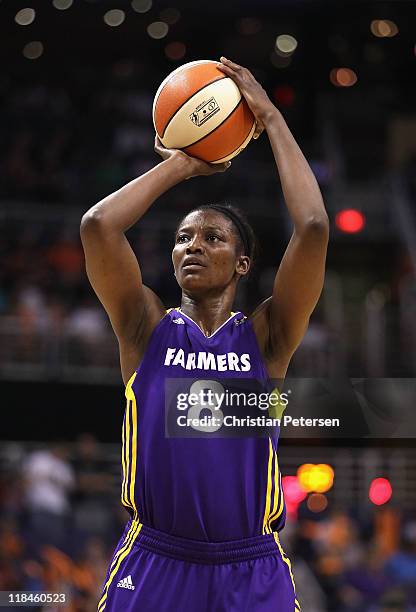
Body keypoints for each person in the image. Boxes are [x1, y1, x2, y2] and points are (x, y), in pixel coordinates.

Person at [80, 56, 329, 611]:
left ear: (243, 264)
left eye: (213, 237)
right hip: (156, 559)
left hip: (252, 563)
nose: (193, 245)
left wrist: (269, 117)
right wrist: (183, 166)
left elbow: (312, 227)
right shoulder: (145, 327)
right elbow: (98, 226)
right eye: (183, 237)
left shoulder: (267, 338)